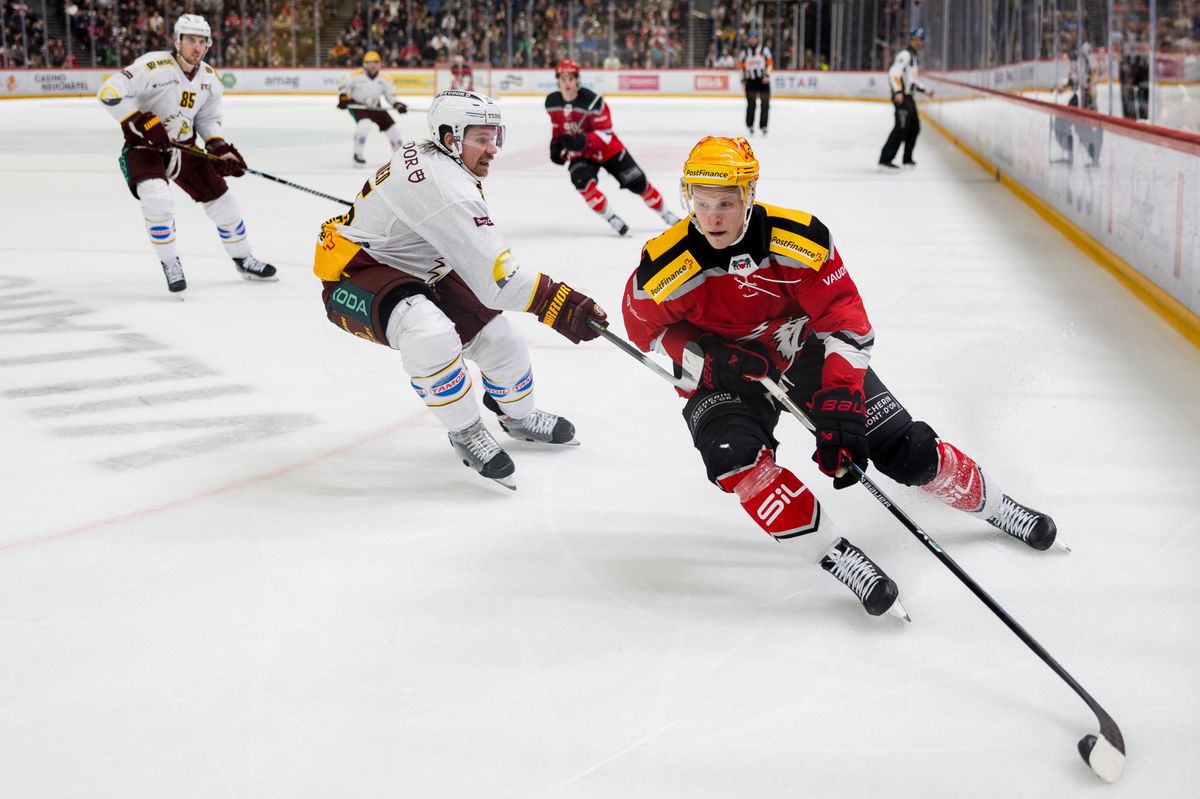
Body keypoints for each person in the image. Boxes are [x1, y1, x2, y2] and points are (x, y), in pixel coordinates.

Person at [621, 136, 1059, 618]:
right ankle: (840, 557)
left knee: (904, 451)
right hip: (725, 375)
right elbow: (644, 331)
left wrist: (842, 397)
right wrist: (708, 359)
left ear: (749, 195)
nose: (714, 217)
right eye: (702, 204)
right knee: (736, 460)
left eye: (726, 203)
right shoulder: (665, 263)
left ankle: (999, 506)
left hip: (803, 350)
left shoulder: (798, 239)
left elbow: (844, 318)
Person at [313, 90, 608, 489]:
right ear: (450, 138)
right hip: (355, 273)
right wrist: (561, 304)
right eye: (481, 139)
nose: (492, 149)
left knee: (503, 341)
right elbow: (498, 284)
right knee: (428, 333)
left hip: (419, 265)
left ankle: (517, 417)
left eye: (495, 136)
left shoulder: (436, 157)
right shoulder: (446, 189)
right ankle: (466, 431)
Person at [97, 14, 278, 296]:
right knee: (157, 200)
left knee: (225, 203)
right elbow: (109, 92)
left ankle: (244, 259)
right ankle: (170, 263)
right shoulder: (152, 65)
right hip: (145, 148)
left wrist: (218, 147)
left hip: (185, 148)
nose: (196, 47)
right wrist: (142, 121)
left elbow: (207, 119)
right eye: (190, 40)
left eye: (202, 41)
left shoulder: (209, 78)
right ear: (177, 40)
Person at [545, 58, 680, 237]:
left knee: (639, 183)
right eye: (563, 79)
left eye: (570, 78)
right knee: (582, 182)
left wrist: (582, 140)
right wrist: (556, 145)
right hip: (583, 155)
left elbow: (605, 135)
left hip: (609, 151)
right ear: (558, 81)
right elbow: (557, 127)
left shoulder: (593, 102)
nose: (567, 83)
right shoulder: (552, 102)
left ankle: (666, 214)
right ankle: (612, 218)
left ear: (578, 79)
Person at [337, 50, 409, 167]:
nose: (372, 65)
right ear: (364, 64)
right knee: (364, 125)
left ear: (379, 64)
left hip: (375, 106)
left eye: (375, 62)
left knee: (393, 130)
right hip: (358, 105)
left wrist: (397, 105)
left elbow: (390, 96)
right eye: (369, 62)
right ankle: (357, 154)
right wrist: (343, 98)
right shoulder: (355, 76)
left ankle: (400, 158)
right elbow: (342, 86)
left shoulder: (385, 78)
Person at [879, 27, 934, 170]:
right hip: (902, 96)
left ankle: (907, 159)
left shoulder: (914, 57)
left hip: (909, 97)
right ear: (911, 40)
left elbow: (911, 80)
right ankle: (885, 160)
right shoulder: (905, 55)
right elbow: (894, 73)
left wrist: (925, 90)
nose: (918, 42)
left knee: (914, 127)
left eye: (920, 40)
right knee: (900, 128)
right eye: (915, 39)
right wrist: (897, 91)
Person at [738, 30, 772, 136]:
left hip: (763, 81)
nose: (752, 40)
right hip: (750, 81)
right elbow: (741, 67)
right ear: (748, 40)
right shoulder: (744, 52)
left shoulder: (764, 50)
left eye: (754, 38)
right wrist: (743, 79)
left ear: (757, 39)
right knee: (751, 104)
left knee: (765, 104)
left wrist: (767, 75)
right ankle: (750, 125)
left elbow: (770, 63)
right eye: (750, 38)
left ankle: (763, 126)